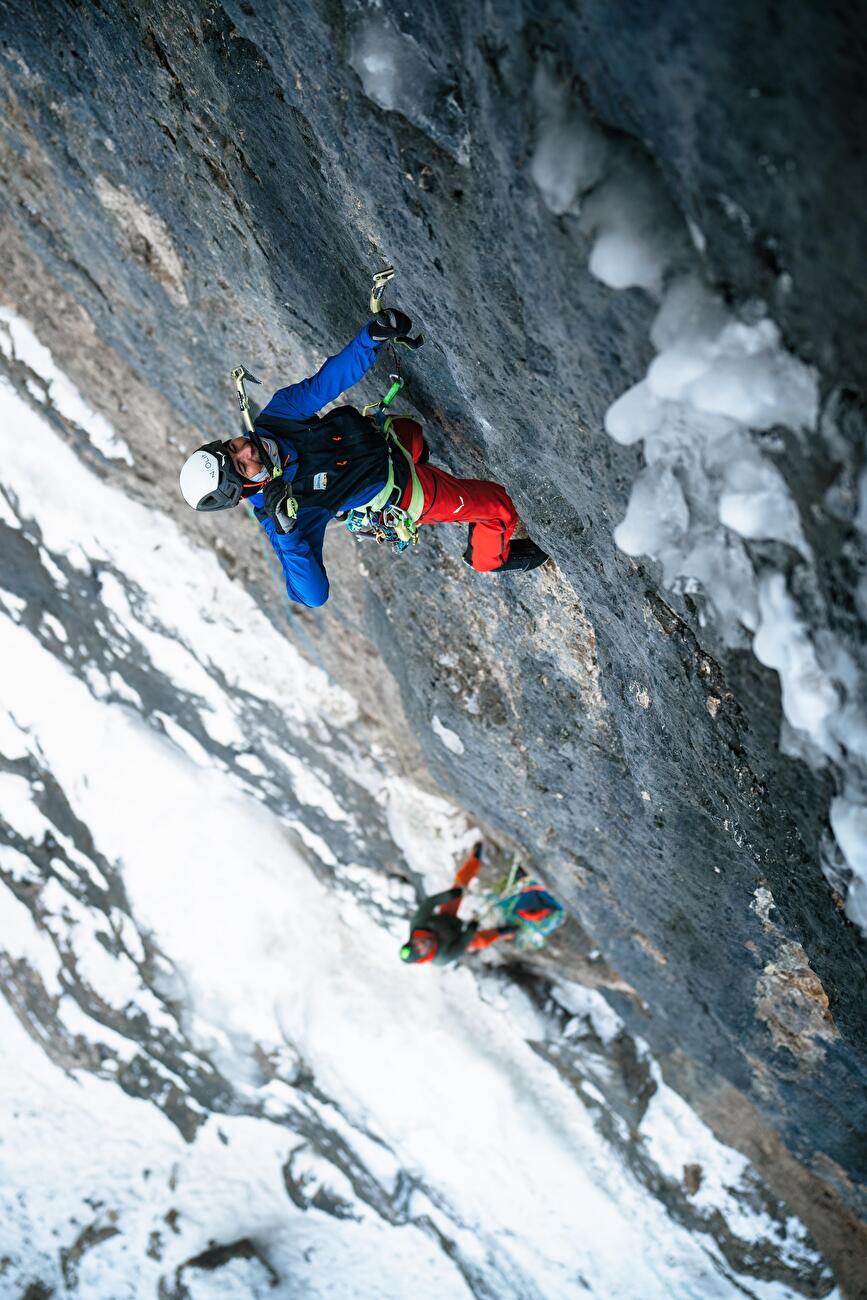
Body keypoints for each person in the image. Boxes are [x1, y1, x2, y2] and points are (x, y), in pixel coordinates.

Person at [178, 309, 548, 607]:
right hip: (401, 490)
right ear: (244, 490)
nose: (247, 449)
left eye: (232, 446)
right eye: (243, 466)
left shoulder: (275, 419)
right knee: (499, 505)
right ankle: (487, 559)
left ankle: (421, 458)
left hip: (382, 443)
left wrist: (369, 339)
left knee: (415, 434)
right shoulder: (288, 514)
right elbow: (312, 595)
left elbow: (326, 382)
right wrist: (288, 534)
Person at [399, 843, 517, 967]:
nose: (420, 944)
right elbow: (461, 945)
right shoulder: (441, 958)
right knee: (480, 941)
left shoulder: (417, 925)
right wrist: (471, 929)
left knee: (460, 884)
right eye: (419, 950)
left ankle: (475, 859)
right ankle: (503, 932)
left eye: (414, 944)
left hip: (446, 916)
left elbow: (430, 903)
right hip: (458, 937)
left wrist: (450, 895)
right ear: (423, 956)